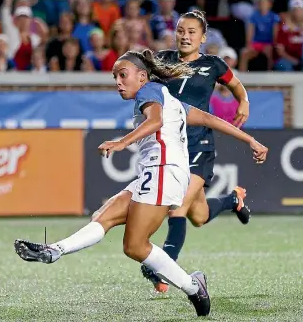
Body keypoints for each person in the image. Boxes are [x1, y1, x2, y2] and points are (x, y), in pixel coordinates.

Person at [14, 50, 268, 318]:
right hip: (158, 172)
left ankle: (193, 287)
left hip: (163, 171)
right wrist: (250, 140)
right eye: (115, 77)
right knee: (104, 216)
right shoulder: (170, 99)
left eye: (123, 75)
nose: (118, 82)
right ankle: (55, 250)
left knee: (135, 245)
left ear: (142, 76)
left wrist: (122, 142)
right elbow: (208, 119)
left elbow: (155, 121)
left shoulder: (149, 92)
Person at [141, 10, 252, 292]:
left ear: (203, 37)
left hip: (200, 145)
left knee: (176, 207)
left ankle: (163, 266)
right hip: (171, 146)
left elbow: (236, 85)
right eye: (181, 30)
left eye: (192, 32)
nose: (185, 36)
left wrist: (244, 102)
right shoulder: (162, 60)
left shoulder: (213, 64)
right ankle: (232, 200)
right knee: (199, 215)